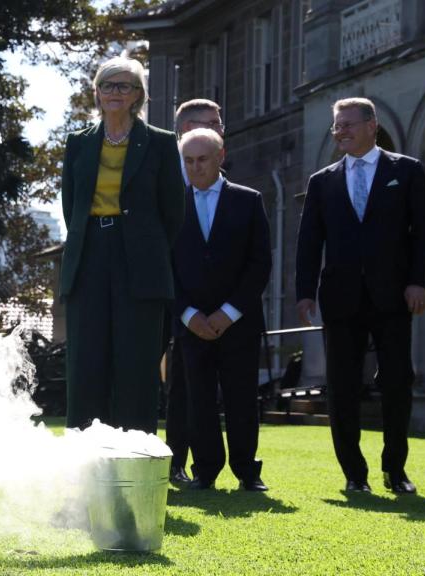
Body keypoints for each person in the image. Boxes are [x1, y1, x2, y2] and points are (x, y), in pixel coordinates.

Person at [296, 97, 425, 494]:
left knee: (396, 381)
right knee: (341, 386)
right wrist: (304, 293)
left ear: (372, 125)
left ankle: (395, 469)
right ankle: (354, 475)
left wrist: (418, 281)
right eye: (336, 126)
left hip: (393, 295)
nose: (340, 132)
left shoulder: (406, 172)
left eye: (348, 125)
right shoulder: (321, 181)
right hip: (340, 298)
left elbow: (424, 234)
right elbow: (309, 242)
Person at [60, 56, 184, 434]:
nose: (115, 92)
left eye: (124, 86)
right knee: (87, 362)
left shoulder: (162, 143)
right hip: (90, 255)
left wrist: (146, 247)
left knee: (136, 363)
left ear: (138, 96)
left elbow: (173, 213)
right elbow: (71, 207)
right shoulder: (78, 143)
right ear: (97, 93)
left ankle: (134, 453)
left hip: (141, 262)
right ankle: (84, 461)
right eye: (108, 85)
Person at [173, 128, 271, 491]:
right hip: (190, 323)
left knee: (242, 397)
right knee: (198, 399)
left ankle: (247, 471)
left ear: (220, 156)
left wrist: (228, 312)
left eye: (202, 159)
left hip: (239, 323)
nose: (196, 168)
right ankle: (206, 471)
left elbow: (260, 264)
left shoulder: (249, 200)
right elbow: (165, 268)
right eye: (189, 161)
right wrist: (189, 315)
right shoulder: (172, 205)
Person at [166, 98, 225, 485]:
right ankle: (173, 464)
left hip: (223, 313)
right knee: (178, 392)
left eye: (217, 124)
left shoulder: (232, 189)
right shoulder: (164, 185)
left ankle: (212, 467)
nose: (213, 129)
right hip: (171, 307)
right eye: (203, 123)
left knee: (211, 392)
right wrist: (185, 311)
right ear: (183, 132)